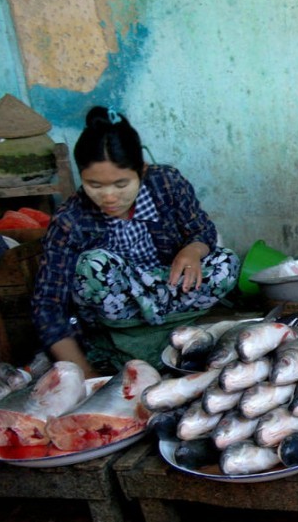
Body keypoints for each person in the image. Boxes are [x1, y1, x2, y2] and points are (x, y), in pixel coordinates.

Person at [32, 106, 240, 378]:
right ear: (81, 176)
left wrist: (192, 250)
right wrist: (86, 375)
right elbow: (48, 307)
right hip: (118, 313)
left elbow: (203, 230)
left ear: (141, 171)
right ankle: (127, 345)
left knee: (226, 262)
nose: (108, 197)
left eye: (121, 185)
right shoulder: (70, 220)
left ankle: (169, 332)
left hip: (171, 292)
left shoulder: (167, 183)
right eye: (94, 185)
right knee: (93, 266)